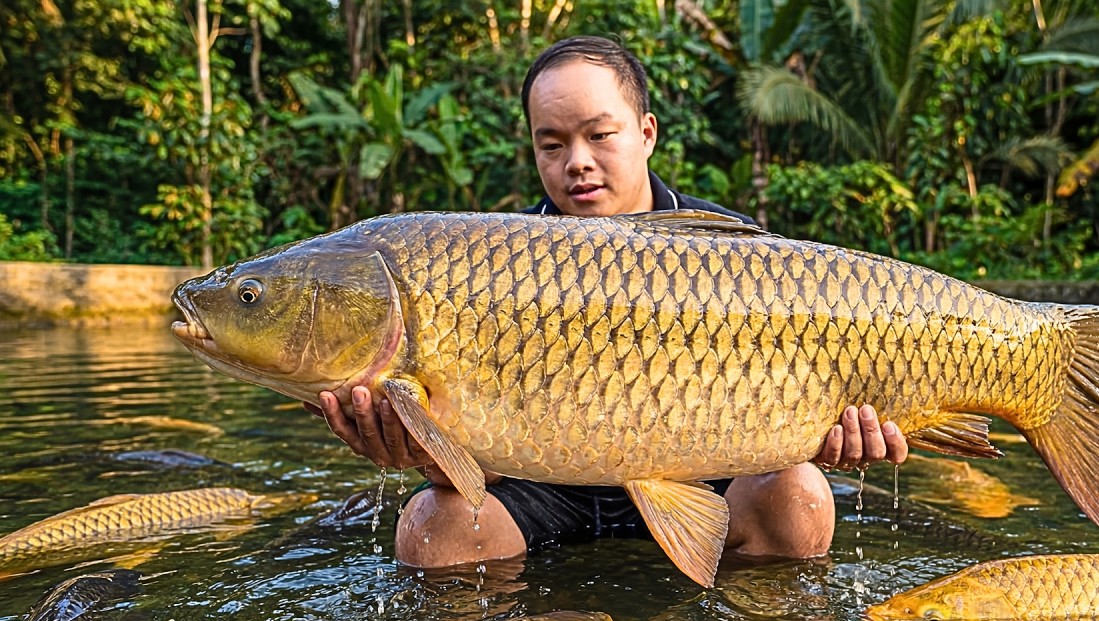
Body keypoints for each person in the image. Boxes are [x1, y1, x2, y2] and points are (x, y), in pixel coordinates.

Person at [307, 35, 909, 574]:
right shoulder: (494, 260)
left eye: (599, 135)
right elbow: (475, 472)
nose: (577, 162)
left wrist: (845, 435)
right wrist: (415, 447)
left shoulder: (731, 249)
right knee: (431, 528)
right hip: (545, 486)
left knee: (800, 495)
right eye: (552, 144)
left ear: (646, 132)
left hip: (706, 476)